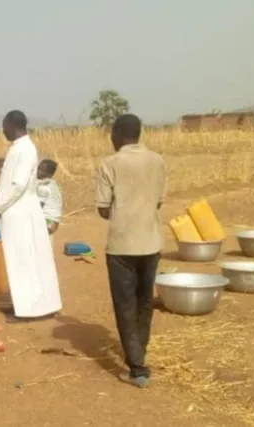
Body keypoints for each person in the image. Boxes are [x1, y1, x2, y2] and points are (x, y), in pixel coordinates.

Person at [95, 113, 166, 389]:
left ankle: (137, 368)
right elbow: (159, 202)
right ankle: (139, 352)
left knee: (125, 303)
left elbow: (103, 208)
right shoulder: (157, 161)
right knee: (144, 300)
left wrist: (120, 209)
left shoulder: (110, 163)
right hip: (151, 241)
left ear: (117, 134)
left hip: (122, 245)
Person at [0, 110, 62, 322]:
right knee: (26, 259)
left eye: (4, 126)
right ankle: (26, 304)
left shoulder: (25, 149)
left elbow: (17, 185)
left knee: (23, 259)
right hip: (18, 210)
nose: (3, 131)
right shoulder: (19, 148)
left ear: (12, 125)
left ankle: (30, 309)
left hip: (19, 212)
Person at [36, 159, 63, 235]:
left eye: (41, 170)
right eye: (38, 168)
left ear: (49, 174)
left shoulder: (44, 187)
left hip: (48, 221)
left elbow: (38, 206)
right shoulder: (52, 184)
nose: (38, 171)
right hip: (53, 221)